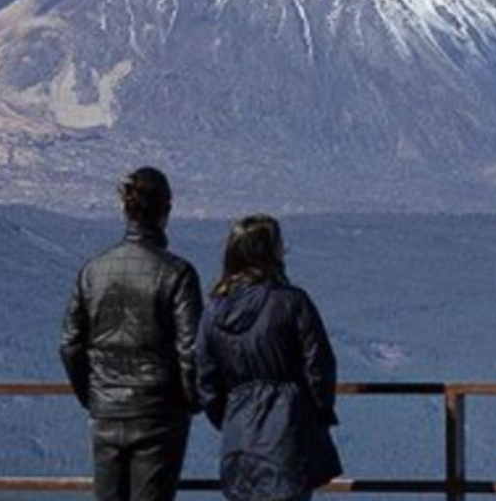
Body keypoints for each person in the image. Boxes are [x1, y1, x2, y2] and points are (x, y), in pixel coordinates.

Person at [60, 167, 203, 501]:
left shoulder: (93, 271)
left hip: (106, 410)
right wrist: (191, 400)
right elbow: (190, 349)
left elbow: (69, 344)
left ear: (125, 209)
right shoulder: (177, 273)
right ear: (166, 210)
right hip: (159, 412)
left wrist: (94, 394)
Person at [196, 214, 343, 501]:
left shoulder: (212, 311)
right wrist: (316, 414)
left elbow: (205, 378)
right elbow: (320, 366)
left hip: (238, 436)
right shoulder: (292, 302)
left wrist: (228, 417)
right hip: (288, 431)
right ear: (271, 252)